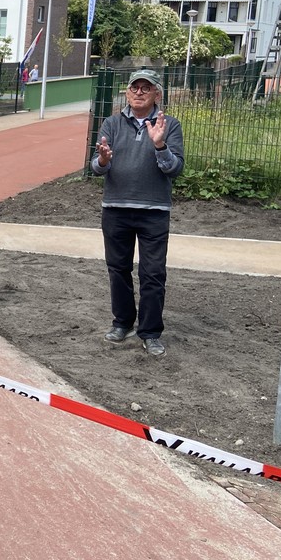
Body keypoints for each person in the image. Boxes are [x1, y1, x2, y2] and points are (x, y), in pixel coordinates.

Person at [92, 68, 184, 357]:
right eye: (135, 87)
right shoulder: (111, 123)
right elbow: (96, 167)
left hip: (154, 211)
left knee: (153, 273)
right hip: (116, 208)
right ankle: (122, 322)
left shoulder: (170, 125)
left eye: (146, 87)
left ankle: (151, 331)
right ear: (128, 92)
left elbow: (175, 169)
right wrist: (104, 160)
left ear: (157, 93)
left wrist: (159, 144)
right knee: (118, 270)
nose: (139, 92)